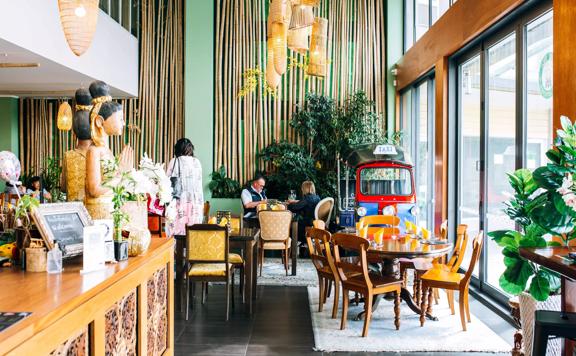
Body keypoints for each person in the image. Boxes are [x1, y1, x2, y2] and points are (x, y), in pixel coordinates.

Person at [85, 80, 133, 219]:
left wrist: (124, 175)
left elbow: (114, 182)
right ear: (100, 121)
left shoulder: (107, 151)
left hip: (111, 210)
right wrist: (120, 175)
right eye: (120, 119)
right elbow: (94, 190)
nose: (123, 123)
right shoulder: (94, 151)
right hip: (99, 214)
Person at [166, 138, 203, 236]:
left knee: (177, 232)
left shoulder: (174, 161)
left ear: (177, 149)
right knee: (192, 234)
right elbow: (198, 185)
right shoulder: (197, 163)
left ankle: (176, 250)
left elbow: (166, 182)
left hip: (178, 203)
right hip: (195, 204)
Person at [61, 88, 93, 202]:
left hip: (74, 211)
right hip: (94, 209)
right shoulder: (99, 154)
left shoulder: (68, 155)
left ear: (74, 133)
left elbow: (63, 187)